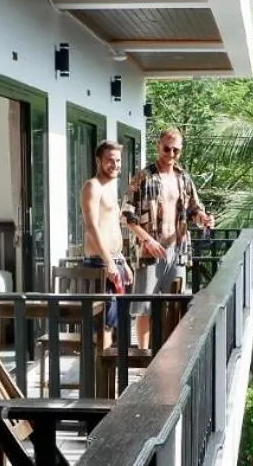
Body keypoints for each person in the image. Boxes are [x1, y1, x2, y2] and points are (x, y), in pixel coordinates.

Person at [123, 127, 213, 347]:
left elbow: (194, 209)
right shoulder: (143, 177)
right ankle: (144, 357)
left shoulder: (183, 178)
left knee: (175, 305)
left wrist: (203, 218)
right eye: (167, 148)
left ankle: (169, 356)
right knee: (145, 307)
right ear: (158, 146)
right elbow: (126, 216)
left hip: (178, 249)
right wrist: (147, 240)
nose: (171, 154)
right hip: (149, 251)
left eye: (176, 150)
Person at [80, 139, 131, 341]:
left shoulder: (110, 188)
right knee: (104, 325)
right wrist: (110, 262)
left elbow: (111, 227)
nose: (115, 165)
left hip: (113, 261)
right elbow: (92, 226)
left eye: (118, 161)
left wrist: (122, 261)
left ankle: (113, 372)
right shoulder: (92, 187)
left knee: (115, 322)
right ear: (98, 161)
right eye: (110, 160)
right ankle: (97, 372)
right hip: (100, 264)